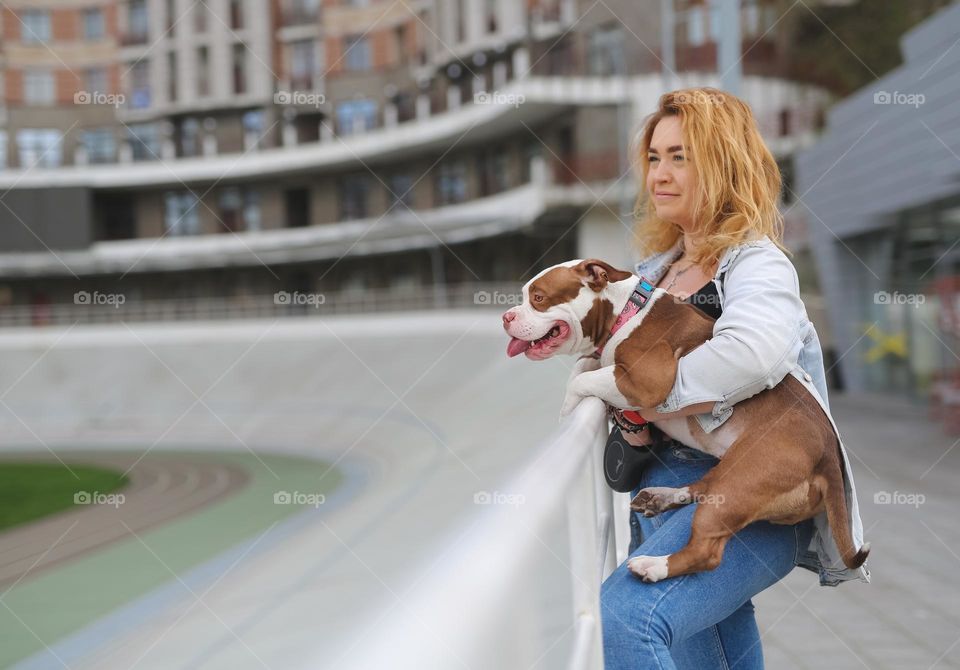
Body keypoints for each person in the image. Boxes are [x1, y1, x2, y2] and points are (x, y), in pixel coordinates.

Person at [600, 87, 870, 670]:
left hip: (749, 485)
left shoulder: (756, 262)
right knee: (713, 655)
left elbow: (752, 352)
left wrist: (643, 397)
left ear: (723, 165)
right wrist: (631, 415)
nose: (660, 175)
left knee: (628, 616)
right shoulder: (650, 275)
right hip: (663, 489)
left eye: (681, 157)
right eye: (654, 157)